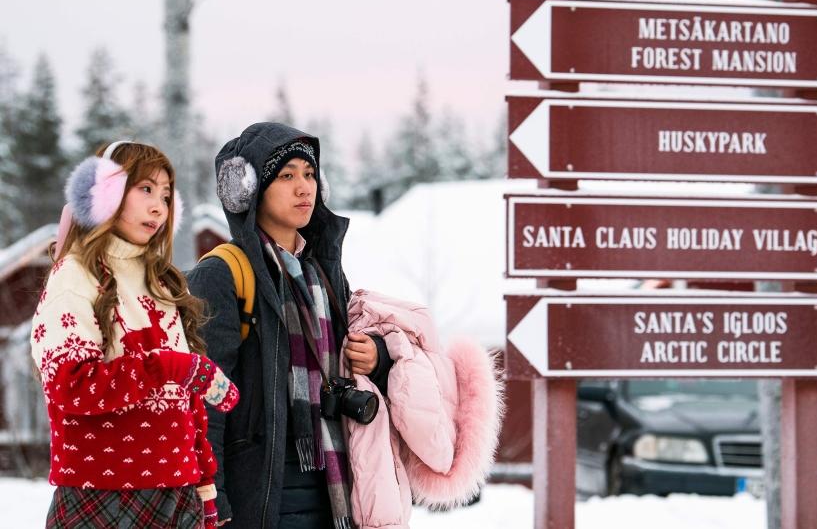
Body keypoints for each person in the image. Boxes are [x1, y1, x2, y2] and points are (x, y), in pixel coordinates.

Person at [188, 123, 503, 529]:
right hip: (259, 495)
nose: (305, 187)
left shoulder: (322, 274)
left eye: (310, 174)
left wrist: (379, 356)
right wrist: (213, 498)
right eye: (287, 176)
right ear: (245, 190)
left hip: (336, 486)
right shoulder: (220, 275)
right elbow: (201, 400)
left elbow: (349, 365)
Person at [31, 141, 240, 529]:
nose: (159, 206)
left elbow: (185, 403)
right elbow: (69, 385)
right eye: (145, 189)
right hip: (103, 496)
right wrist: (169, 367)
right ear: (104, 192)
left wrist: (205, 485)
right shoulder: (74, 276)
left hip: (178, 498)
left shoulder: (161, 282)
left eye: (166, 194)